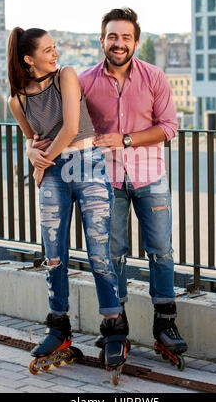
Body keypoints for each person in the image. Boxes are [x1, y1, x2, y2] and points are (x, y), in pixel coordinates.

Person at [7, 27, 128, 370]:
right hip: (53, 174)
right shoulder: (17, 100)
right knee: (54, 256)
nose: (55, 53)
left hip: (86, 165)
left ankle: (114, 328)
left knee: (99, 254)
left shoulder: (67, 77)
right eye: (48, 50)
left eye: (55, 47)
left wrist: (41, 160)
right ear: (29, 59)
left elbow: (72, 127)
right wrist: (34, 155)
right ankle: (58, 327)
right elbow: (32, 140)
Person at [78, 8, 187, 359]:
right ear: (102, 41)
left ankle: (165, 325)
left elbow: (169, 126)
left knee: (161, 250)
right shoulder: (84, 81)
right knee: (111, 254)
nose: (119, 43)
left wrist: (125, 139)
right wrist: (35, 145)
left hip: (150, 176)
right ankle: (116, 325)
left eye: (126, 37)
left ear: (135, 42)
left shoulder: (154, 76)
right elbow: (67, 124)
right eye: (112, 36)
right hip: (105, 181)